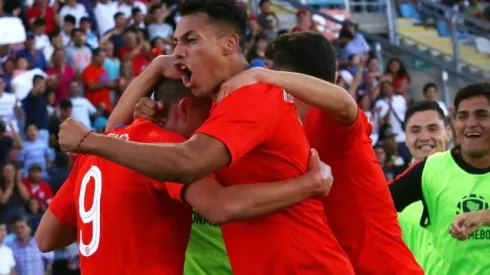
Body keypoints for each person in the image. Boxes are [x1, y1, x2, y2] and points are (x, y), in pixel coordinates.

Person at [57, 1, 353, 273]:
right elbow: (121, 135)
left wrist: (88, 141)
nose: (179, 52)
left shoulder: (253, 97)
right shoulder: (218, 106)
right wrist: (157, 68)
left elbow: (188, 162)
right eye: (175, 43)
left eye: (191, 40)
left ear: (229, 43)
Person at [36, 78, 334, 275]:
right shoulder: (168, 149)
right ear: (184, 107)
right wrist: (309, 184)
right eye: (210, 116)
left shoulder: (100, 149)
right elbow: (219, 206)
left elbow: (46, 237)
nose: (213, 128)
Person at [216, 31, 422, 274]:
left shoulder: (326, 119)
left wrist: (263, 74)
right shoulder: (262, 125)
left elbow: (345, 104)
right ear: (335, 78)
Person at [389, 82, 490, 275]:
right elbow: (375, 203)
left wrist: (484, 216)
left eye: (482, 115)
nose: (470, 123)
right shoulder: (430, 169)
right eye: (462, 116)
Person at [393, 101, 451, 274]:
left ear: (448, 133)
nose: (425, 136)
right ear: (406, 137)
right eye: (415, 130)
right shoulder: (391, 193)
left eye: (433, 128)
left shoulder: (477, 180)